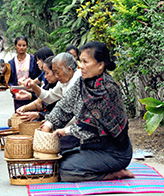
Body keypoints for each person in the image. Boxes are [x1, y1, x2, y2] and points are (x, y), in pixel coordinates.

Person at [41, 41, 134, 182]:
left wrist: (65, 131)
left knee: (66, 171)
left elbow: (92, 126)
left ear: (100, 65)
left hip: (114, 152)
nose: (80, 66)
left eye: (85, 62)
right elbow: (64, 105)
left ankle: (114, 174)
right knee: (58, 162)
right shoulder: (82, 83)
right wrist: (48, 124)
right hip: (91, 147)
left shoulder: (108, 88)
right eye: (80, 61)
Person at [16, 56, 58, 121]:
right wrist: (25, 108)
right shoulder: (51, 84)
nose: (45, 76)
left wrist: (39, 115)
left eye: (47, 73)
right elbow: (42, 99)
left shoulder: (63, 85)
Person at [8, 36, 41, 111]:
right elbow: (9, 80)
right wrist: (11, 88)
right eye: (19, 45)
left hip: (32, 93)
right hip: (18, 94)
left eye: (24, 45)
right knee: (19, 114)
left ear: (27, 46)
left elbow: (39, 75)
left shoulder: (33, 60)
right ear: (15, 46)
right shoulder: (11, 63)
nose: (21, 48)